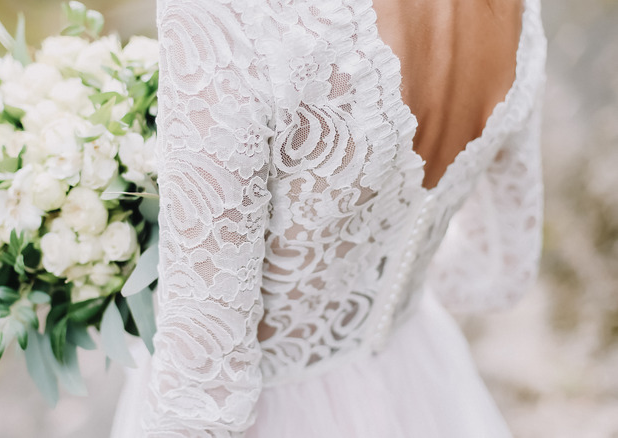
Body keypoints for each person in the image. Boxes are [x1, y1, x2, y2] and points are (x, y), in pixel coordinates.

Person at [111, 0, 547, 436]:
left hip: (278, 414)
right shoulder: (516, 8)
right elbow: (497, 272)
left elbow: (203, 394)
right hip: (419, 384)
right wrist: (380, 279)